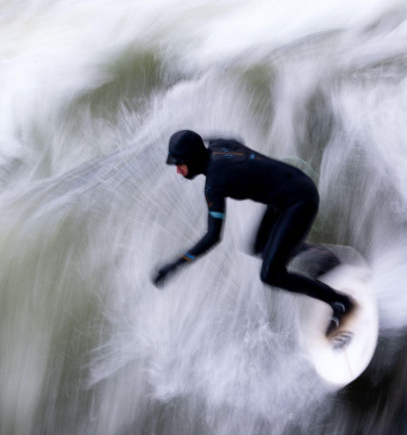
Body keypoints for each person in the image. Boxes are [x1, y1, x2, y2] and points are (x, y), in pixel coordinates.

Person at [152, 130, 354, 335]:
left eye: (180, 164)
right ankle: (323, 258)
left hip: (299, 201)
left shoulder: (215, 182)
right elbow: (235, 138)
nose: (178, 170)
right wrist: (193, 139)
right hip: (290, 189)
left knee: (270, 274)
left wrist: (175, 265)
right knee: (259, 246)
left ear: (193, 159)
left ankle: (340, 302)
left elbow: (213, 236)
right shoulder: (219, 146)